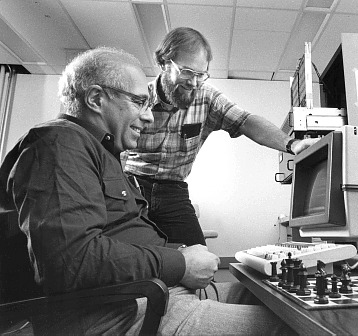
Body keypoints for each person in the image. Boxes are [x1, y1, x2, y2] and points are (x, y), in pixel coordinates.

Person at [0, 47, 296, 335]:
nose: (149, 116)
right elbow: (71, 261)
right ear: (95, 98)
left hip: (156, 292)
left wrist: (181, 254)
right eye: (139, 103)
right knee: (291, 327)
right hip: (129, 309)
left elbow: (120, 237)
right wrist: (180, 263)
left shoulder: (102, 152)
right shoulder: (58, 145)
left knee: (281, 301)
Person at [122, 27, 319, 246]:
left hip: (173, 192)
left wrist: (292, 144)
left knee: (200, 263)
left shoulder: (207, 98)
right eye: (187, 72)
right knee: (132, 258)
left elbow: (245, 121)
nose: (194, 83)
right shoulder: (140, 99)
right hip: (132, 188)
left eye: (201, 75)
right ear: (164, 64)